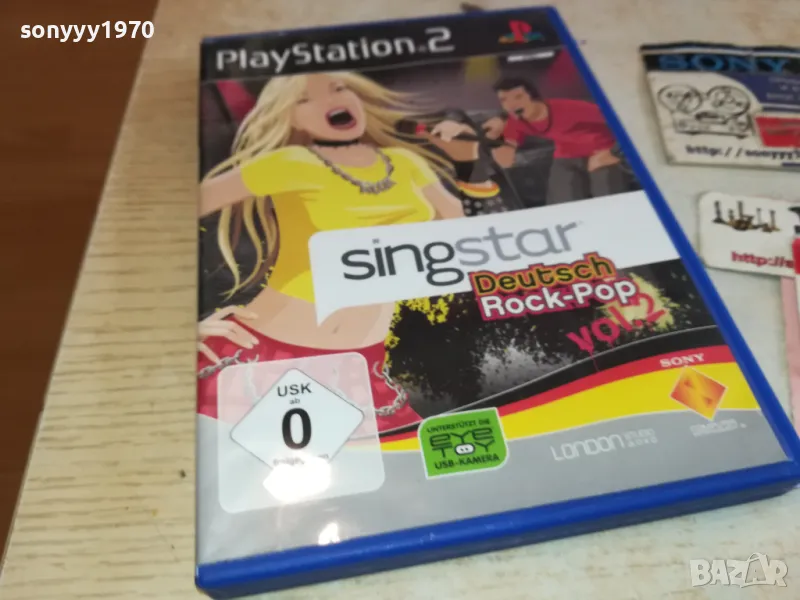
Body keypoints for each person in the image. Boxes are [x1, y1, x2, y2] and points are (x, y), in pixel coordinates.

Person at [196, 71, 465, 433]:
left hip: (362, 368)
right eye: (306, 98)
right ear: (291, 118)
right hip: (264, 355)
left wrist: (470, 164)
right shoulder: (289, 162)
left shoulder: (405, 162)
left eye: (338, 89)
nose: (332, 100)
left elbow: (462, 231)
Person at [432, 77, 626, 205]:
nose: (511, 104)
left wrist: (612, 153)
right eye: (504, 100)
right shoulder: (514, 120)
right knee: (561, 202)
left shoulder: (571, 109)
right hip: (564, 157)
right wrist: (501, 142)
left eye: (518, 97)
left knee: (608, 196)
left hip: (602, 152)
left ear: (534, 98)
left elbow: (622, 120)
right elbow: (508, 148)